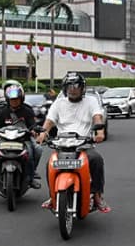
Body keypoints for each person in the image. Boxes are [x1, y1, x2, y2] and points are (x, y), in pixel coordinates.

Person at [37, 72, 109, 212]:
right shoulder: (58, 103)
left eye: (76, 85)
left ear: (82, 88)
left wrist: (99, 131)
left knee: (96, 160)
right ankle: (53, 196)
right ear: (65, 88)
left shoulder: (91, 101)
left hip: (83, 144)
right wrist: (43, 132)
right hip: (62, 145)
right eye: (69, 86)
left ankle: (97, 195)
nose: (73, 89)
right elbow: (50, 121)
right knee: (50, 164)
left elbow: (97, 117)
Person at [0, 80, 42, 190]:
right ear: (8, 99)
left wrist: (34, 130)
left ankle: (31, 178)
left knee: (36, 150)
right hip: (4, 140)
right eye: (12, 99)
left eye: (16, 99)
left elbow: (32, 124)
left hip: (23, 139)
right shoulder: (2, 112)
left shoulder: (27, 110)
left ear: (21, 99)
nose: (14, 101)